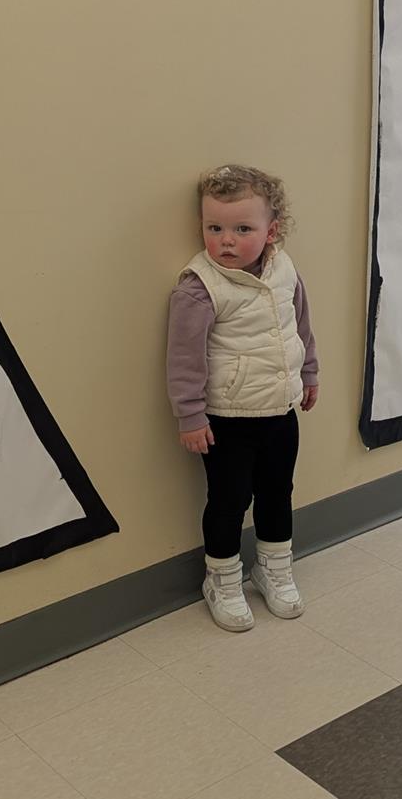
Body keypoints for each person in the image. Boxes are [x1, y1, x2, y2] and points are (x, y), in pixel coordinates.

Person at [166, 164, 320, 631]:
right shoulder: (200, 287)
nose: (226, 241)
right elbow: (184, 358)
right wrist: (190, 416)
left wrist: (308, 372)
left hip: (280, 411)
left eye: (241, 229)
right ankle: (222, 578)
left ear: (271, 231)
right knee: (229, 500)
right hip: (228, 419)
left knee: (278, 493)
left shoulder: (284, 269)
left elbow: (301, 325)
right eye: (214, 228)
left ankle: (273, 566)